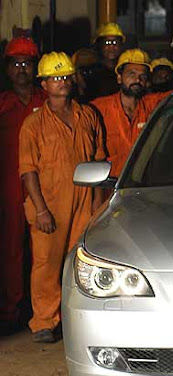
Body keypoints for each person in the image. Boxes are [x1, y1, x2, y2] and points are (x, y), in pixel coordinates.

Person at [19, 52, 105, 343]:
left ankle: (77, 319)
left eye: (66, 76)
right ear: (43, 84)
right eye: (55, 78)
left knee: (81, 264)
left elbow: (98, 160)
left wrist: (97, 202)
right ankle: (44, 321)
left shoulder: (88, 115)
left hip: (84, 201)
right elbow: (28, 170)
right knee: (47, 264)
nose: (62, 82)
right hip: (50, 203)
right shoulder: (33, 124)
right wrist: (41, 209)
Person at [0, 37, 47, 334]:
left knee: (43, 251)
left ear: (35, 68)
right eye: (16, 64)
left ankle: (43, 312)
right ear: (8, 69)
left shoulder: (48, 100)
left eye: (27, 64)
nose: (21, 69)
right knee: (10, 251)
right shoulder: (2, 104)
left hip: (42, 186)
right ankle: (10, 312)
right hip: (8, 187)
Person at [92, 49, 173, 177]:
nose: (137, 80)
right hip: (111, 184)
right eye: (132, 74)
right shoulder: (98, 108)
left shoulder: (152, 105)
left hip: (144, 183)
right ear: (119, 78)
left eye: (143, 76)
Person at [91, 22, 125, 97]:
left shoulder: (125, 71)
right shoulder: (90, 73)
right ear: (99, 45)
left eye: (115, 43)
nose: (111, 47)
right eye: (107, 43)